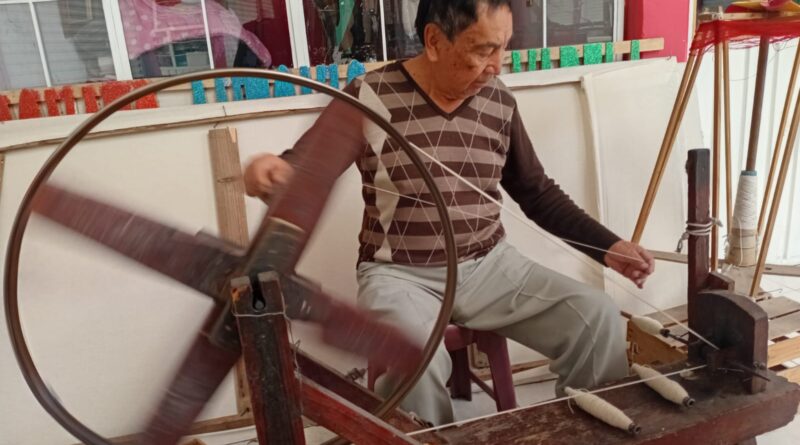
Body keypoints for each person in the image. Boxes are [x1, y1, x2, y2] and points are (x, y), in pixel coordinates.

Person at [243, 0, 655, 426]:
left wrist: (608, 247)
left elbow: (537, 193)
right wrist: (268, 173)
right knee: (414, 359)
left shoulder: (499, 100)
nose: (497, 65)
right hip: (398, 274)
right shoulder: (370, 96)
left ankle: (588, 434)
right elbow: (307, 170)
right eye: (483, 50)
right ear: (435, 41)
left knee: (596, 318)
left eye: (504, 47)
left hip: (490, 265)